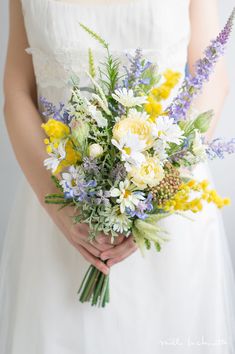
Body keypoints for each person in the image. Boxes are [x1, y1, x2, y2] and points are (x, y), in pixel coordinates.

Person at [1, 0, 235, 353]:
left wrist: (155, 191)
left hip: (168, 213)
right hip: (56, 206)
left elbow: (210, 75)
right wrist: (61, 211)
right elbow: (18, 90)